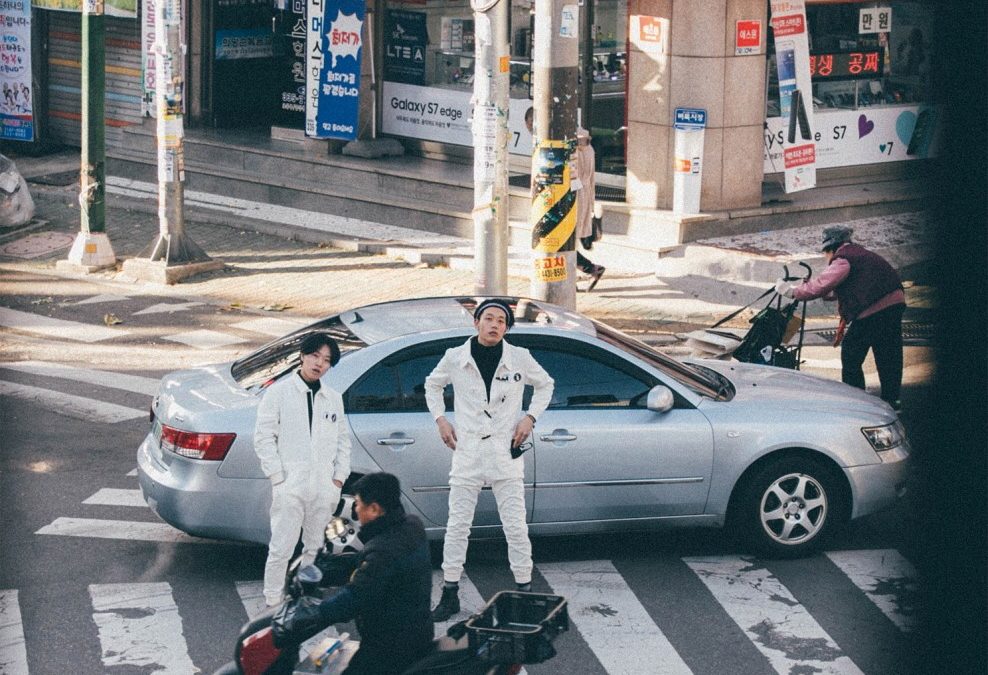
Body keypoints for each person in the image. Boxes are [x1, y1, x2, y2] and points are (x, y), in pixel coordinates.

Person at [425, 298, 554, 621]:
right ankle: (450, 592)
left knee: (514, 525)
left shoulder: (519, 358)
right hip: (467, 451)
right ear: (477, 323)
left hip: (504, 451)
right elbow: (432, 384)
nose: (494, 324)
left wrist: (530, 418)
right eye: (489, 318)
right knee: (458, 525)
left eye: (501, 321)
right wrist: (441, 419)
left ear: (507, 328)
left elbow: (546, 385)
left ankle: (524, 589)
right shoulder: (455, 357)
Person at [276, 472, 434, 675]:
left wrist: (313, 614)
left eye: (358, 503)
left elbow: (355, 597)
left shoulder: (383, 550)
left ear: (375, 509)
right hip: (415, 631)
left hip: (391, 646)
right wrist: (328, 568)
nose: (355, 509)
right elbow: (369, 564)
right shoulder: (410, 526)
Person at [254, 332, 351, 606]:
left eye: (327, 360)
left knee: (314, 546)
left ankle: (303, 594)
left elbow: (343, 441)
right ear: (303, 355)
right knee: (281, 547)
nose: (319, 363)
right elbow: (263, 437)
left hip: (323, 487)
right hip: (290, 486)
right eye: (315, 355)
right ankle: (273, 601)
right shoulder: (279, 393)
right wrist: (278, 477)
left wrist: (338, 479)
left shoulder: (333, 398)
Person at [775, 226, 906, 411]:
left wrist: (790, 291)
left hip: (874, 308)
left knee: (851, 353)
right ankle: (893, 401)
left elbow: (821, 285)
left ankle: (857, 401)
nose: (826, 258)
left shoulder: (843, 259)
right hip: (894, 302)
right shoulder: (860, 254)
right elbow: (836, 289)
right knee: (888, 354)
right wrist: (808, 287)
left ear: (831, 248)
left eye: (825, 253)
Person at [572, 127, 605, 291]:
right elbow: (591, 180)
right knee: (571, 240)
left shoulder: (575, 151)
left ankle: (590, 269)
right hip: (584, 196)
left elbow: (572, 177)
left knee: (567, 241)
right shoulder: (590, 149)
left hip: (575, 197)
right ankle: (589, 269)